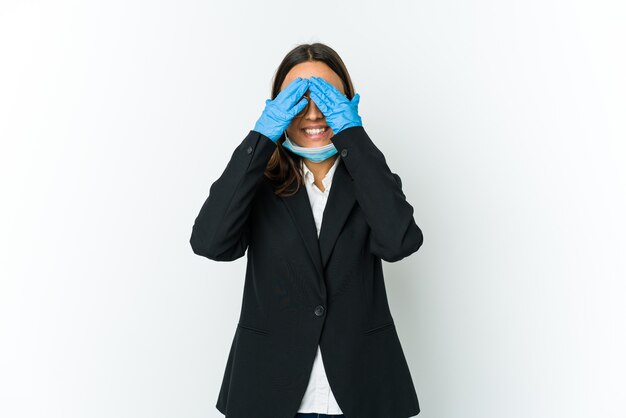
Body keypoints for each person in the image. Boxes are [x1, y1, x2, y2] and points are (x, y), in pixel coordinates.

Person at [190, 42, 424, 418]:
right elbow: (210, 241)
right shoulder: (257, 184)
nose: (313, 114)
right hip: (269, 392)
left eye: (327, 99)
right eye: (297, 100)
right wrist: (261, 138)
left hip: (362, 392)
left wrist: (352, 136)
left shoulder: (367, 180)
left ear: (347, 103)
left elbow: (400, 241)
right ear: (277, 108)